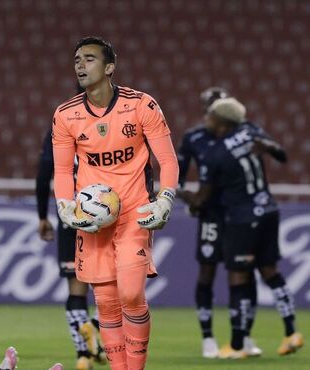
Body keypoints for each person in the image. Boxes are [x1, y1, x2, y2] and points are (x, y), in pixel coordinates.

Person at [52, 36, 179, 370]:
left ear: (109, 67)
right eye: (77, 58)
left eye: (89, 59)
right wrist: (65, 205)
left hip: (135, 213)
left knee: (132, 295)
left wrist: (165, 198)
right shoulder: (66, 115)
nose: (80, 64)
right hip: (94, 219)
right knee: (106, 304)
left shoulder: (141, 106)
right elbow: (63, 169)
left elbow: (166, 159)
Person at [181, 97, 304, 359]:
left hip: (241, 217)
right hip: (268, 209)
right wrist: (268, 147)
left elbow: (202, 198)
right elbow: (280, 153)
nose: (207, 119)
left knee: (239, 277)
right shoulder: (251, 131)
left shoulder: (217, 153)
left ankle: (236, 346)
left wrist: (178, 194)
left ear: (222, 122)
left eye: (211, 116)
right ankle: (292, 331)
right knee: (270, 271)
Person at [177, 87, 262, 358]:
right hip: (211, 215)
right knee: (207, 273)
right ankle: (208, 338)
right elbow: (176, 174)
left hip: (240, 214)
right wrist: (187, 198)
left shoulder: (243, 136)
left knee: (246, 274)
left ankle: (244, 335)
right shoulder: (194, 137)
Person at [36, 126, 105, 370]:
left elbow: (44, 173)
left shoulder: (59, 128)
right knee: (115, 284)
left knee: (76, 291)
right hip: (104, 212)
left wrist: (42, 215)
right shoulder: (110, 122)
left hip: (70, 214)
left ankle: (83, 356)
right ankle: (94, 326)